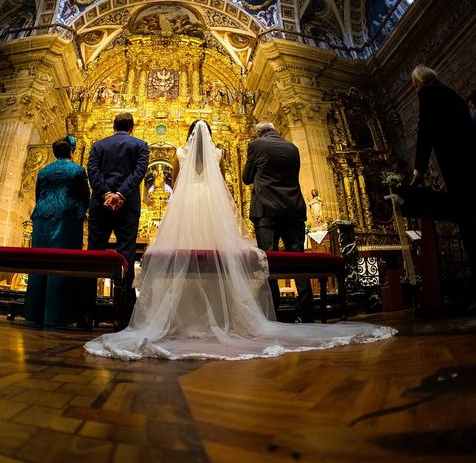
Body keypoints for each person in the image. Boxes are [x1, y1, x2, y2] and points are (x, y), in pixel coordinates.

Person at [84, 120, 395, 361]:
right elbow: (226, 180)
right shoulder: (221, 153)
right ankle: (230, 313)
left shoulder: (179, 153)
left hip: (188, 203)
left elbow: (176, 182)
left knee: (187, 255)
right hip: (214, 203)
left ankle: (182, 315)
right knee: (218, 256)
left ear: (190, 137)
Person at [409, 65, 476, 311]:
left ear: (419, 84)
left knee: (472, 231)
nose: (415, 90)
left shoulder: (428, 95)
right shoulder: (452, 94)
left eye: (414, 86)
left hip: (461, 172)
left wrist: (418, 171)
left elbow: (425, 133)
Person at [243, 121, 314, 323]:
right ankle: (306, 312)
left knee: (269, 261)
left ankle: (273, 312)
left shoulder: (256, 145)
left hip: (266, 209)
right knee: (298, 259)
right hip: (293, 207)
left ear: (259, 133)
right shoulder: (292, 147)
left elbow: (246, 178)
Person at [87, 113, 149, 328]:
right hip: (128, 206)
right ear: (132, 128)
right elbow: (139, 172)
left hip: (100, 205)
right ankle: (124, 314)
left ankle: (87, 311)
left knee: (94, 253)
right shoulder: (140, 145)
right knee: (126, 254)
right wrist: (121, 195)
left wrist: (105, 194)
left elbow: (92, 172)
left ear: (113, 127)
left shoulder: (98, 145)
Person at [23, 136, 90, 327]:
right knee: (64, 262)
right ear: (71, 151)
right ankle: (59, 315)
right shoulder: (77, 170)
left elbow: (38, 194)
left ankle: (35, 313)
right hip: (67, 217)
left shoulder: (44, 171)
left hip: (43, 215)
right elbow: (85, 197)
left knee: (40, 262)